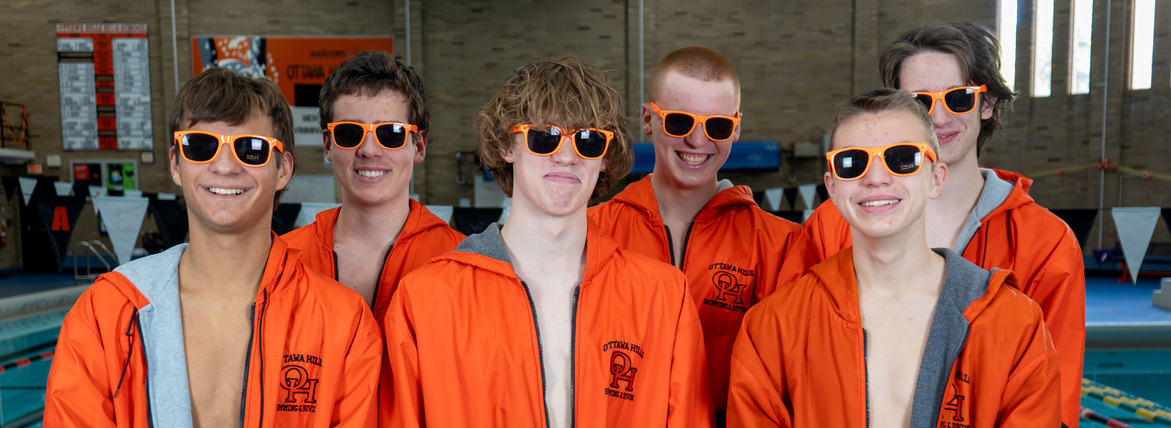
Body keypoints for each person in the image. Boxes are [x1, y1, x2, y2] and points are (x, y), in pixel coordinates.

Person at [380, 56, 714, 427]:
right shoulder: (425, 301)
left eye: (588, 141)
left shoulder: (664, 300)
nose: (567, 157)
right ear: (507, 146)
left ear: (604, 158)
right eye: (544, 137)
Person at [45, 67, 382, 427]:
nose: (224, 166)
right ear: (176, 164)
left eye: (251, 149)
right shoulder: (106, 312)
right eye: (201, 146)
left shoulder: (343, 323)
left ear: (283, 170)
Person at [799, 23, 1084, 426]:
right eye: (919, 101)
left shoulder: (1045, 242)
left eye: (958, 97)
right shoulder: (832, 223)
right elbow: (798, 358)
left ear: (987, 104)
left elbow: (1052, 401)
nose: (938, 116)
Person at [728, 88, 1061, 427]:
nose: (875, 178)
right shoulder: (774, 327)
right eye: (853, 162)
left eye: (902, 158)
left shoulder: (1015, 324)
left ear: (936, 178)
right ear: (832, 186)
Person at [587, 45, 806, 422]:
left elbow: (790, 381)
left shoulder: (781, 247)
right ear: (648, 119)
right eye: (679, 122)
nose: (698, 141)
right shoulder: (594, 232)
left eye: (717, 126)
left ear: (736, 129)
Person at [283, 52, 464, 322]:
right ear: (328, 145)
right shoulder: (285, 260)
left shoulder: (461, 259)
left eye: (390, 133)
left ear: (419, 146)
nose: (369, 150)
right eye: (349, 133)